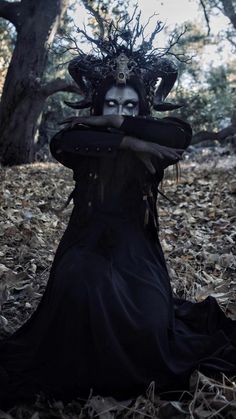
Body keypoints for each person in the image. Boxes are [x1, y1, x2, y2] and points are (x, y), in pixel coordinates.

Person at [0, 30, 235, 410]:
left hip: (138, 251)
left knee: (147, 328)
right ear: (97, 104)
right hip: (85, 243)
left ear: (141, 108)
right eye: (110, 105)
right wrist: (129, 143)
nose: (118, 111)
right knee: (83, 287)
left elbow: (180, 135)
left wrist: (117, 127)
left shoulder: (158, 139)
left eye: (128, 106)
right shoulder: (81, 139)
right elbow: (63, 143)